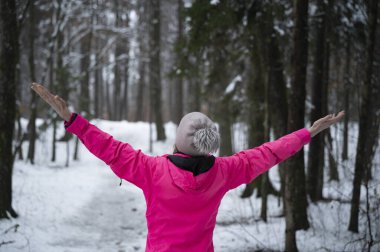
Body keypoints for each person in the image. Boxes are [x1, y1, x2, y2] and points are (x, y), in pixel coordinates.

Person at [31, 83, 344, 252]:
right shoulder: (225, 172)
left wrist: (74, 121)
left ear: (178, 142)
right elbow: (269, 153)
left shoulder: (152, 171)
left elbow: (111, 150)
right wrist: (307, 133)